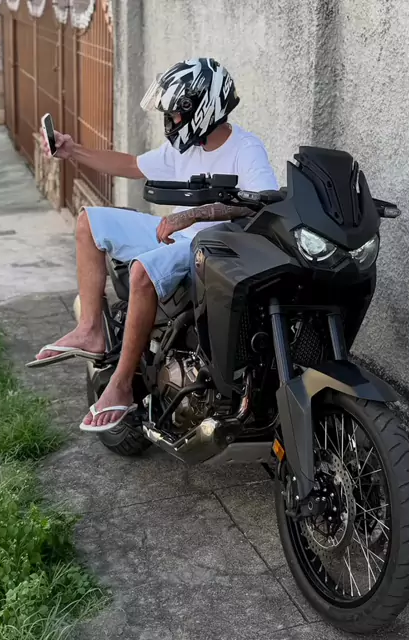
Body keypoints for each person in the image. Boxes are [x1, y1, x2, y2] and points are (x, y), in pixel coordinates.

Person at [27, 57, 279, 432]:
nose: (171, 122)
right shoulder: (186, 147)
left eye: (176, 114)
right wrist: (73, 150)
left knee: (142, 270)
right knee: (88, 222)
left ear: (203, 109)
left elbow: (262, 201)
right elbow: (132, 165)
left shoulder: (246, 148)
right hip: (173, 232)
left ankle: (121, 385)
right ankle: (91, 330)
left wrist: (193, 215)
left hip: (210, 245)